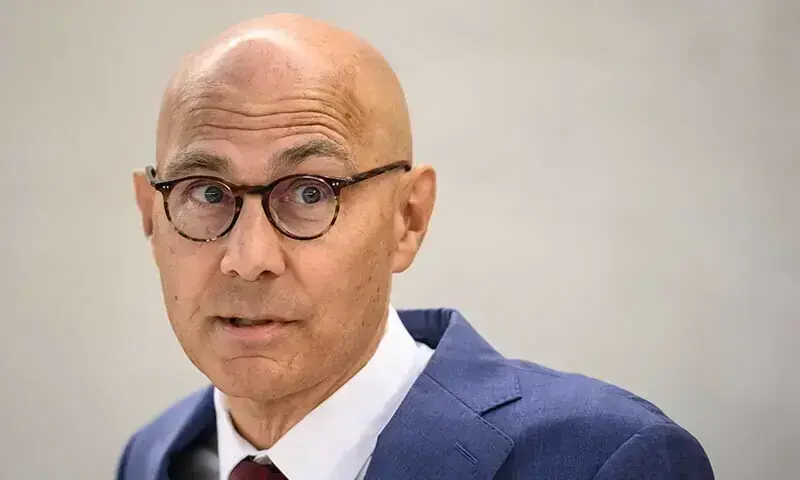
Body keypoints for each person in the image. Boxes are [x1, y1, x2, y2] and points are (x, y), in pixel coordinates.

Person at [118, 13, 714, 480]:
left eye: (309, 192)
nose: (249, 260)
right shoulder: (153, 457)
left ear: (408, 218)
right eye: (206, 192)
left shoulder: (607, 460)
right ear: (151, 217)